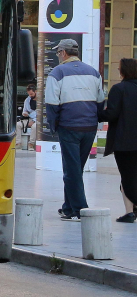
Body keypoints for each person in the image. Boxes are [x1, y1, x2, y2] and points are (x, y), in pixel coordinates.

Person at [45, 38, 106, 221]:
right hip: (89, 127)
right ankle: (68, 207)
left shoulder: (57, 73)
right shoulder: (94, 73)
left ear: (63, 53)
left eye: (58, 53)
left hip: (69, 126)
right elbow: (100, 101)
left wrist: (53, 125)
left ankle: (80, 209)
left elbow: (52, 103)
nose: (57, 56)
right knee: (75, 168)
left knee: (71, 169)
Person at [102, 58, 137, 224]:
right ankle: (130, 211)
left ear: (124, 71)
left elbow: (111, 114)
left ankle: (130, 212)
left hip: (125, 142)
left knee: (128, 177)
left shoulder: (119, 89)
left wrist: (96, 112)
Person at [19, 84, 37, 150]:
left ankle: (31, 144)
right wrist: (24, 114)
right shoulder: (27, 100)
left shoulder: (41, 101)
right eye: (29, 94)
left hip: (37, 120)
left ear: (36, 91)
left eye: (31, 94)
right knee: (18, 125)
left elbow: (41, 114)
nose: (30, 96)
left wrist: (34, 120)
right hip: (28, 118)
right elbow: (24, 110)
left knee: (35, 126)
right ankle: (18, 144)